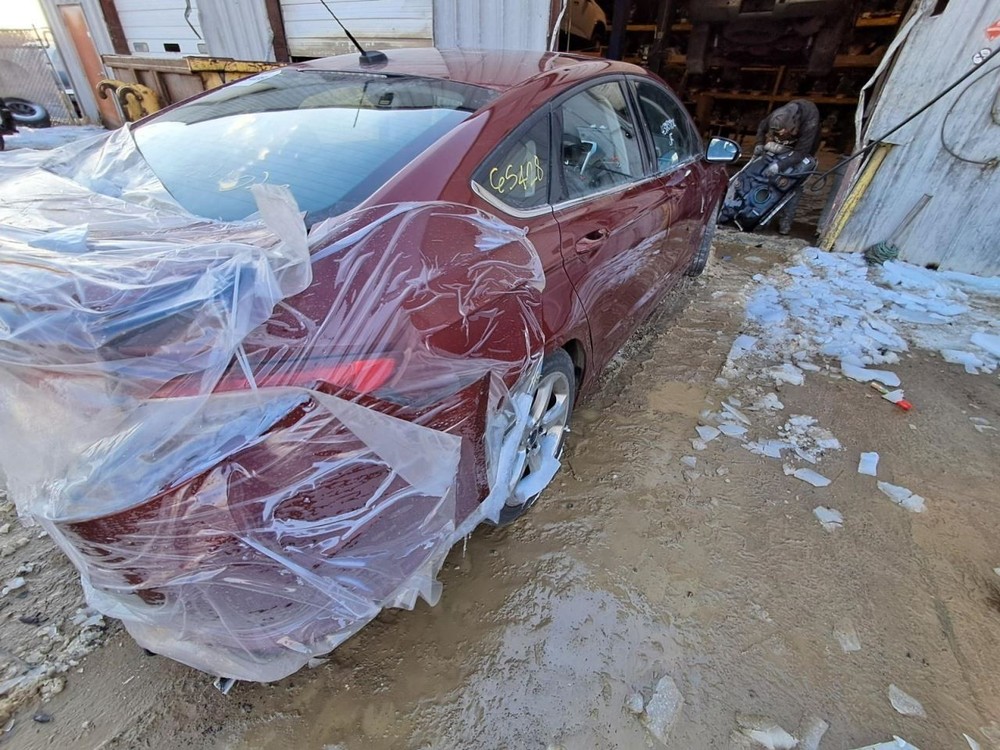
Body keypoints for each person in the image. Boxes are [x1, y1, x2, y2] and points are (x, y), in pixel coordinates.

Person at [753, 99, 821, 234]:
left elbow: (801, 153)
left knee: (792, 184)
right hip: (783, 146)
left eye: (783, 131)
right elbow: (761, 127)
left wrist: (779, 166)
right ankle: (760, 215)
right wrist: (759, 143)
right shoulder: (778, 115)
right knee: (765, 178)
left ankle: (785, 221)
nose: (780, 133)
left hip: (802, 151)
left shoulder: (810, 122)